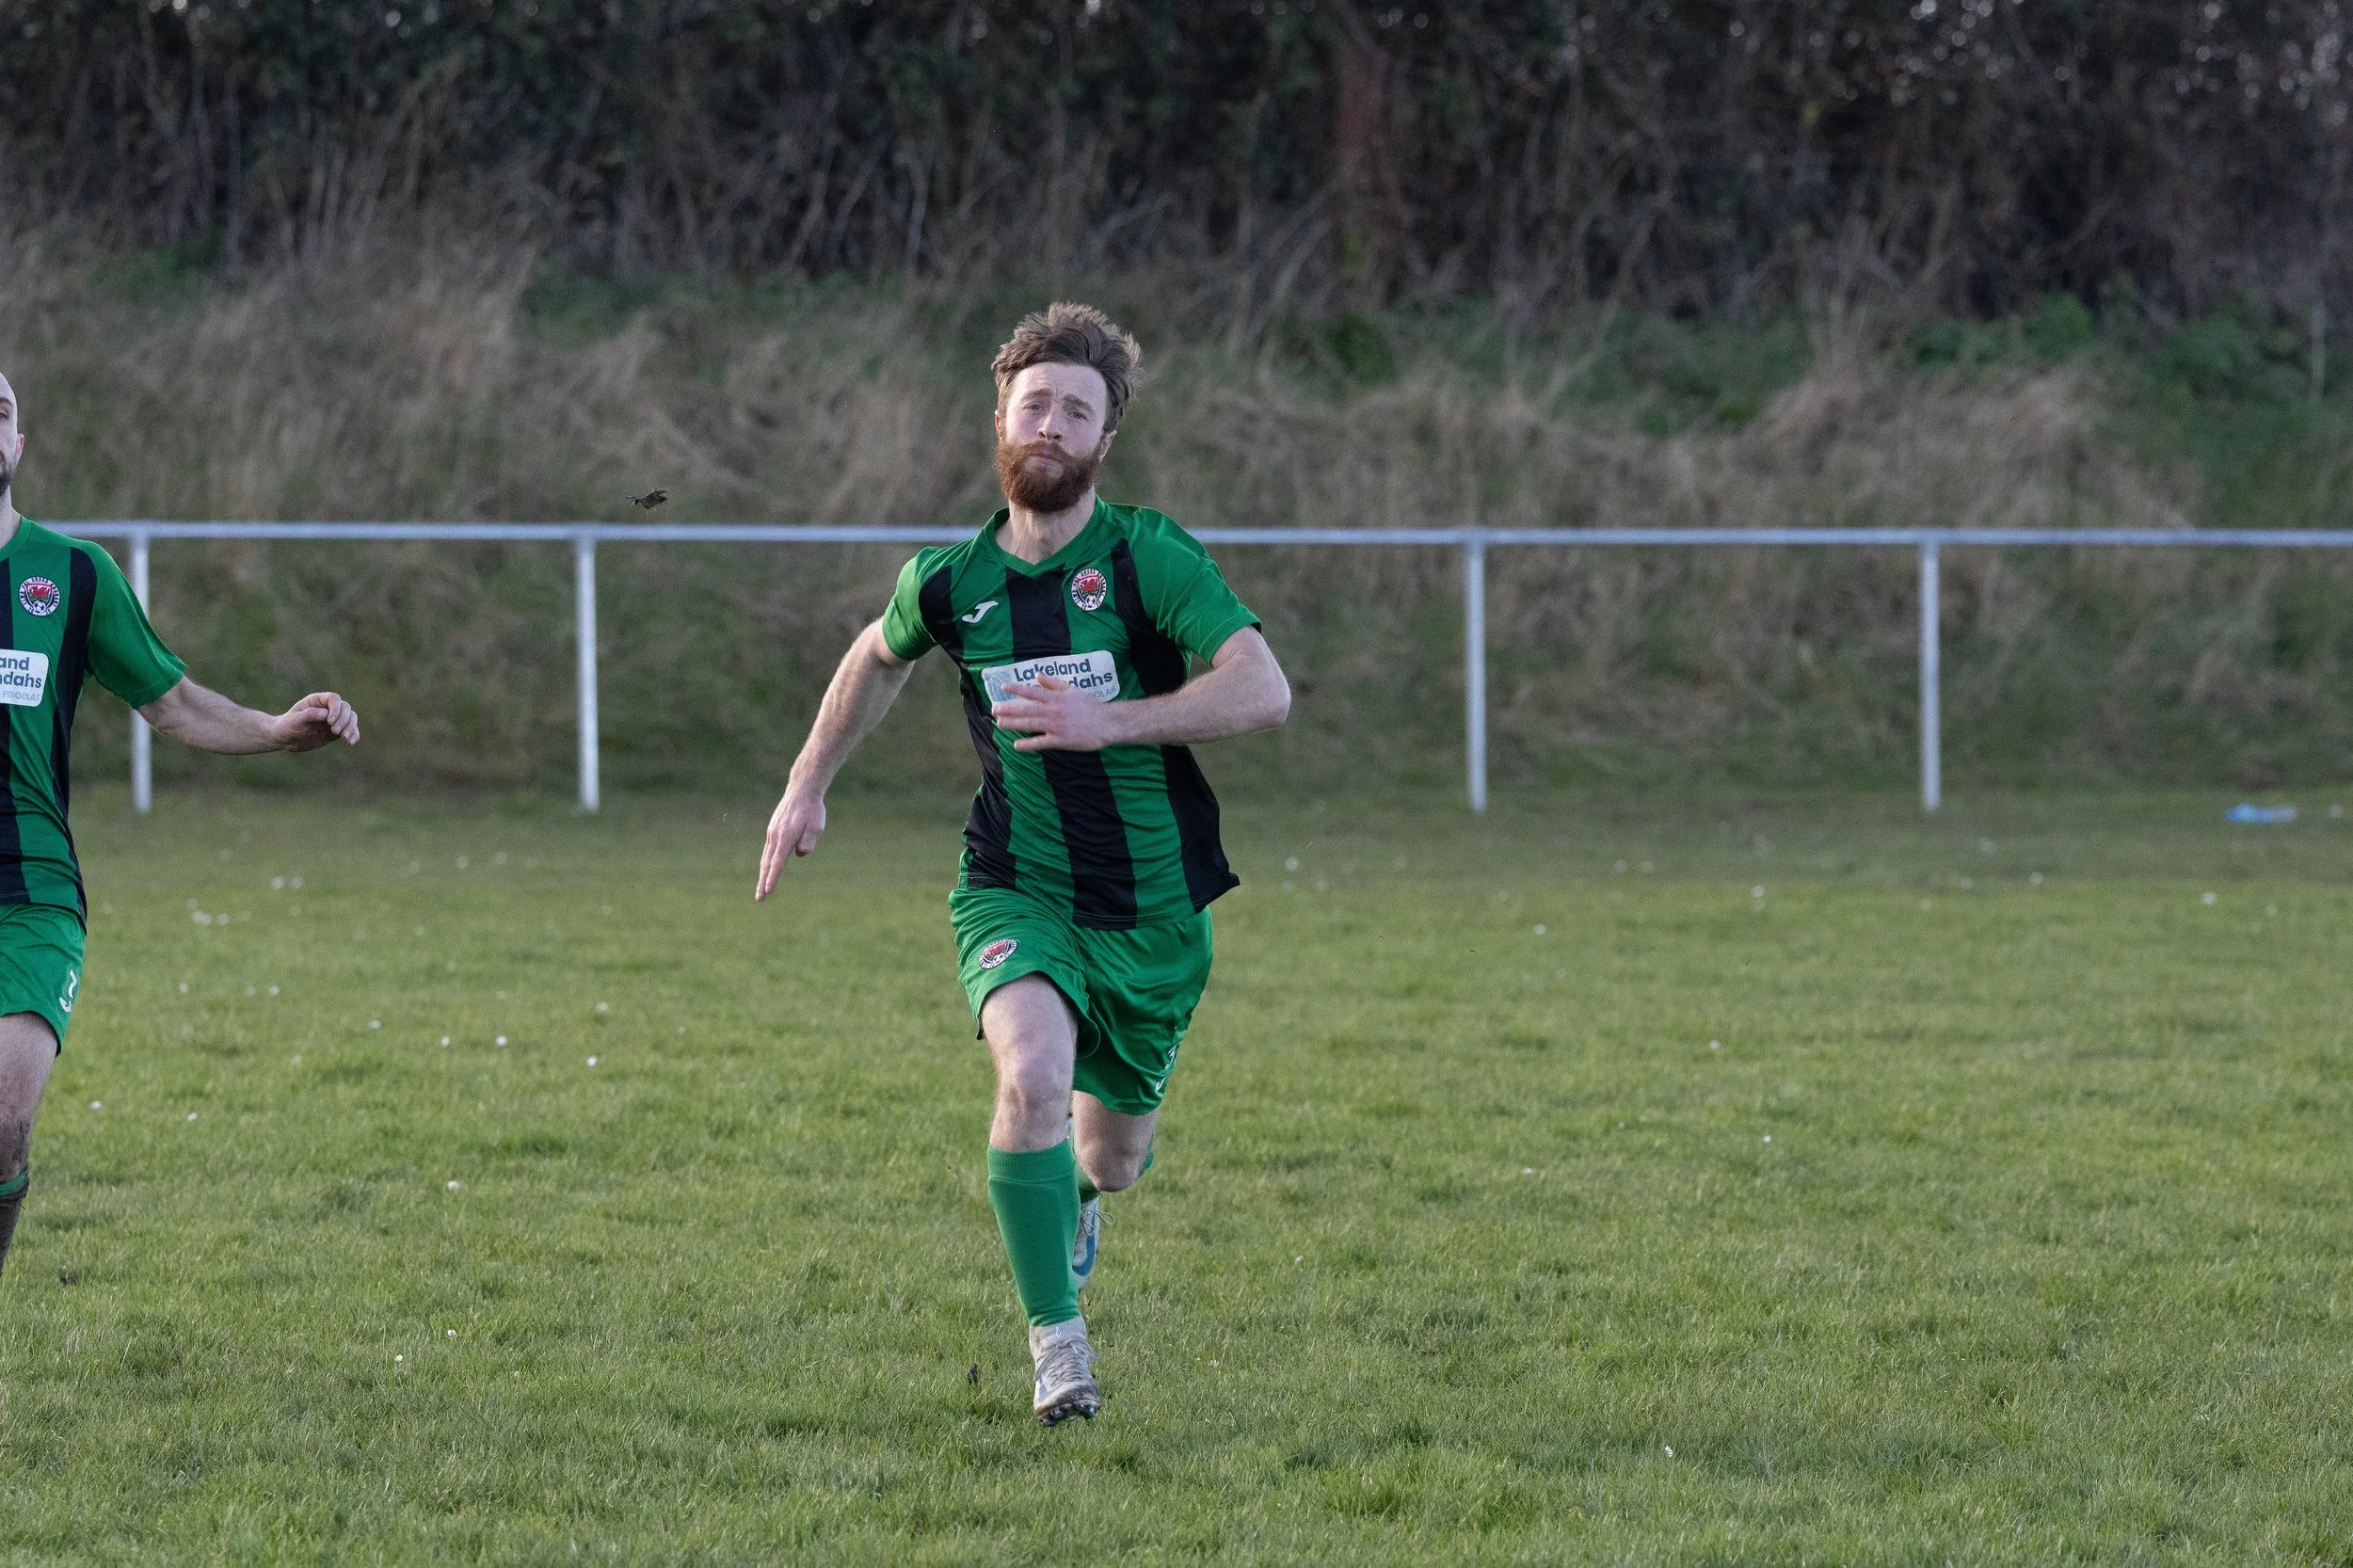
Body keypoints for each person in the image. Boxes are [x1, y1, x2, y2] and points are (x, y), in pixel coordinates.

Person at [756, 304, 1289, 1424]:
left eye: (1076, 411)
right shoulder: (952, 580)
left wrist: (1118, 721)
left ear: (1104, 442)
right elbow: (874, 655)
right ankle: (1059, 1348)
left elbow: (1262, 687)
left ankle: (1082, 1199)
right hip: (1015, 885)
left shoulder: (1147, 557)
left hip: (1153, 913)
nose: (1051, 423)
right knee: (1033, 1075)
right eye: (1034, 403)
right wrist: (808, 781)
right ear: (1000, 418)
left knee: (1113, 1155)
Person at [0, 371, 360, 1282]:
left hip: (30, 892)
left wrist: (279, 730)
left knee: (3, 1122)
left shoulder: (73, 575)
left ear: (21, 443)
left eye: (0, 410)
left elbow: (174, 704)